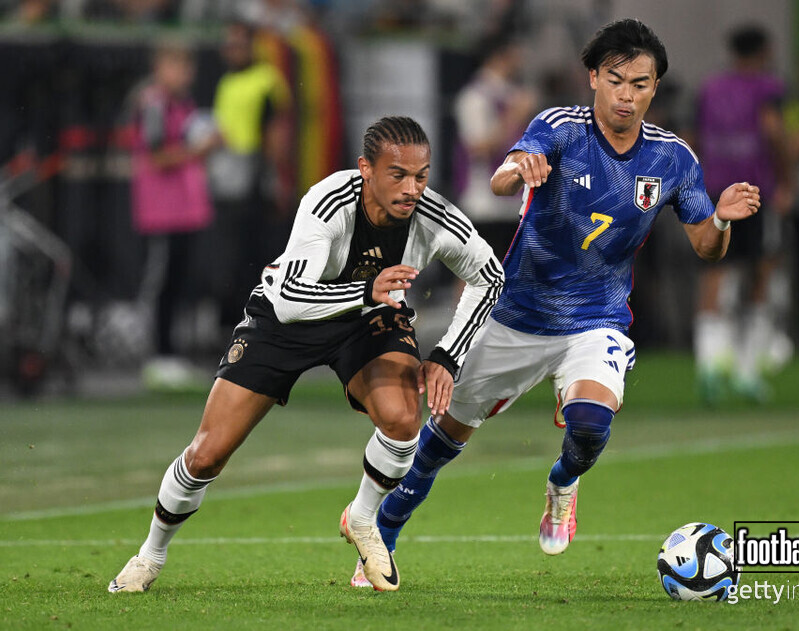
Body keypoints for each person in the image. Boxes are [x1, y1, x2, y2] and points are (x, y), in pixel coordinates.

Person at [350, 19, 761, 587]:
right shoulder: (560, 128)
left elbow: (705, 247)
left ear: (654, 88)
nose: (626, 94)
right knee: (439, 443)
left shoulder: (673, 160)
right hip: (512, 315)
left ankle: (563, 482)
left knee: (590, 426)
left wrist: (719, 218)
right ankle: (381, 538)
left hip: (596, 321)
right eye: (615, 80)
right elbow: (500, 178)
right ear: (592, 77)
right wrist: (518, 168)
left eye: (640, 84)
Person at [108, 116, 504, 593]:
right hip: (287, 321)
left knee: (402, 421)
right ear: (366, 170)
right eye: (397, 174)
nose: (412, 188)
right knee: (206, 455)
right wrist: (365, 290)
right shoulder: (327, 201)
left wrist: (446, 356)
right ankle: (150, 553)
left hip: (367, 321)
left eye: (421, 175)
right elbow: (291, 299)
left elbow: (491, 277)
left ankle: (361, 519)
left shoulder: (436, 218)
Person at [691, 24, 791, 404]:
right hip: (752, 190)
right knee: (760, 275)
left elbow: (691, 138)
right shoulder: (769, 88)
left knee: (713, 275)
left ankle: (709, 364)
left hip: (714, 190)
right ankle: (747, 372)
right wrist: (788, 180)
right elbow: (774, 131)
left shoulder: (709, 88)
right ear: (763, 51)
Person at [129, 40, 217, 387]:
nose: (183, 74)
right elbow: (157, 157)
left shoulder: (185, 105)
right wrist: (200, 149)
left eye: (186, 67)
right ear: (159, 69)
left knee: (180, 284)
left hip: (187, 211)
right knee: (162, 285)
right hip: (161, 212)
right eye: (175, 66)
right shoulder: (153, 104)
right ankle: (157, 356)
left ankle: (172, 354)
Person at [208, 20, 294, 336]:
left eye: (238, 44)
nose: (231, 51)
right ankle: (231, 324)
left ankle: (259, 324)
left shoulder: (266, 80)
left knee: (254, 255)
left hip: (254, 180)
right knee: (228, 257)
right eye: (228, 44)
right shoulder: (227, 81)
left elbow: (277, 132)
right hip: (227, 181)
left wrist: (276, 179)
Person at [453, 34, 537, 260]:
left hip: (513, 199)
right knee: (475, 272)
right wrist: (513, 116)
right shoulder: (474, 96)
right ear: (499, 56)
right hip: (484, 201)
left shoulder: (510, 93)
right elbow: (478, 147)